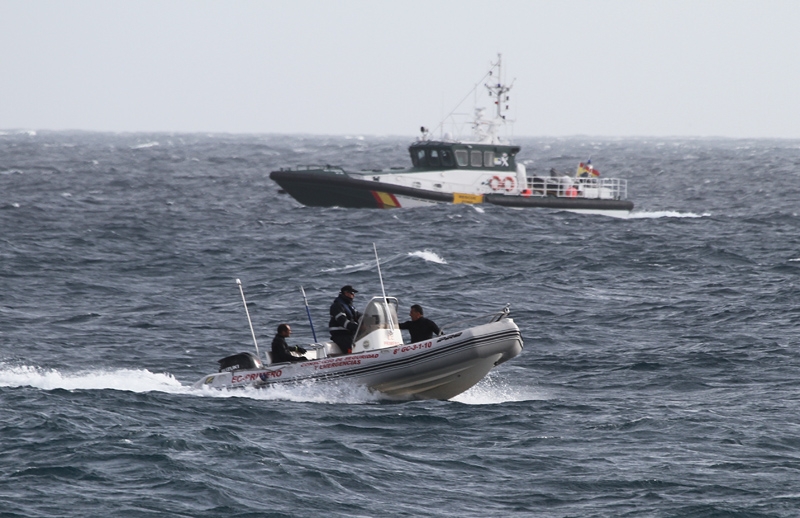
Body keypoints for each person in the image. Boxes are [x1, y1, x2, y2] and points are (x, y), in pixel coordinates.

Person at [329, 285, 361, 355]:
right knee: (352, 348)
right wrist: (357, 327)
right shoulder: (337, 306)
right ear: (346, 293)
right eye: (352, 293)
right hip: (341, 335)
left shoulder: (349, 306)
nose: (354, 295)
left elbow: (358, 315)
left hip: (350, 334)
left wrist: (370, 318)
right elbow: (342, 321)